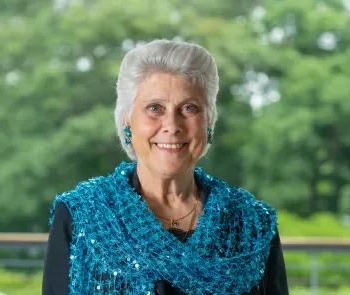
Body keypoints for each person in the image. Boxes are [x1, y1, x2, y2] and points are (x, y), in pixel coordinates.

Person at [42, 39, 289, 295]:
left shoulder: (253, 222)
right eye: (154, 108)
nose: (172, 125)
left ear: (209, 122)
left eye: (189, 108)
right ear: (128, 121)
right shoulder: (80, 215)